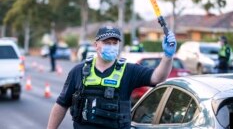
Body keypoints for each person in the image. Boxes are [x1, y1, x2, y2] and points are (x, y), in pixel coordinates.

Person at [47, 25, 177, 129]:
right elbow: (61, 104)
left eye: (114, 43)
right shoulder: (78, 71)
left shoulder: (129, 70)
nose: (111, 46)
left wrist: (168, 56)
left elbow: (157, 77)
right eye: (107, 42)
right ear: (96, 45)